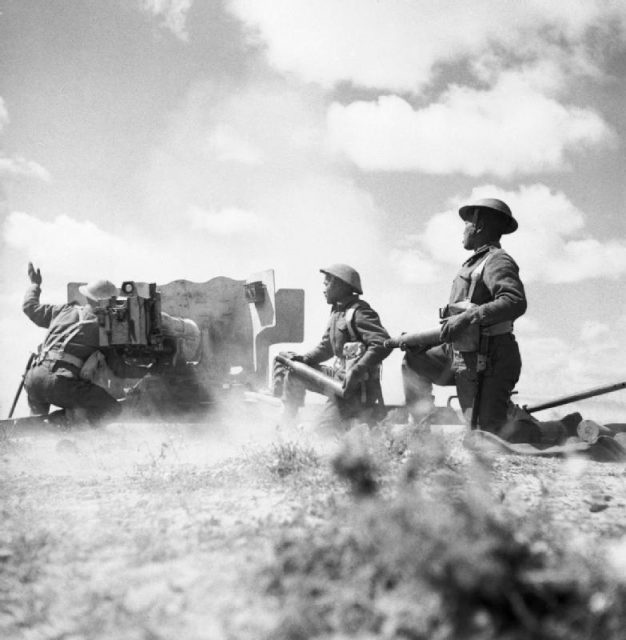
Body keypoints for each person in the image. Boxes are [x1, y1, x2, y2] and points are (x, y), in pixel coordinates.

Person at [402, 198, 527, 434]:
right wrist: (420, 340)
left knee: (486, 435)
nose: (463, 231)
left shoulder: (497, 260)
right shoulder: (473, 263)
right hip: (462, 354)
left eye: (467, 224)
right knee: (414, 360)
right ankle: (421, 433)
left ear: (479, 226)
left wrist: (468, 318)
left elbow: (514, 301)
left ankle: (561, 429)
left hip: (491, 357)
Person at [275, 264, 392, 431]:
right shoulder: (337, 312)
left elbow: (381, 343)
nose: (324, 288)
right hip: (338, 379)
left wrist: (357, 370)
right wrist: (305, 359)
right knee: (295, 372)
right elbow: (327, 347)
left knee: (323, 432)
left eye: (327, 283)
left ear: (340, 285)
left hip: (356, 388)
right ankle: (288, 424)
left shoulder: (359, 312)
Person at [22, 262, 122, 424]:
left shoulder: (63, 311)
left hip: (33, 379)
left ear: (87, 296)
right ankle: (62, 423)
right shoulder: (103, 329)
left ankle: (43, 429)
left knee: (35, 426)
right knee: (112, 408)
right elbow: (118, 368)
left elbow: (30, 307)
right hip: (60, 384)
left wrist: (35, 284)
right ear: (111, 303)